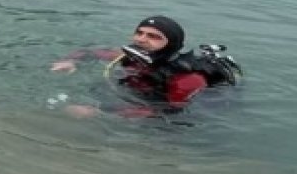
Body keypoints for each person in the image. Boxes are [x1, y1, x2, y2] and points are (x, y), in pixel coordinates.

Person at [50, 16, 243, 118]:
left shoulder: (186, 79)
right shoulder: (134, 55)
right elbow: (90, 52)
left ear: (170, 43)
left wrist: (100, 111)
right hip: (142, 94)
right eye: (139, 32)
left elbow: (167, 111)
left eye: (153, 36)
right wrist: (70, 61)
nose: (141, 39)